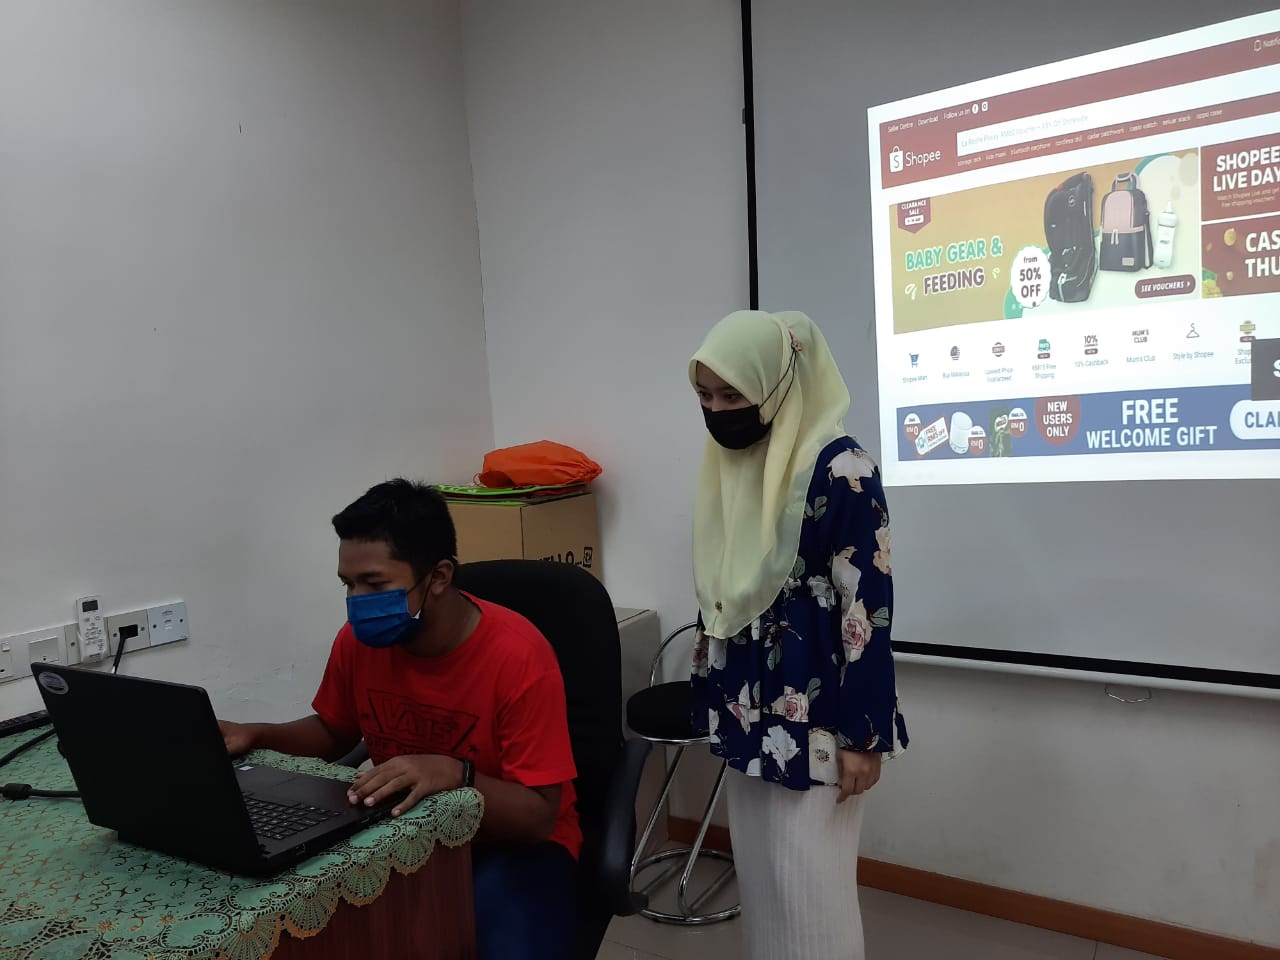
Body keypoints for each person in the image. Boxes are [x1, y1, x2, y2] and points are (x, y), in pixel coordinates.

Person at [218, 479, 580, 960]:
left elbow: (538, 818)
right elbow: (333, 732)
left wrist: (455, 773)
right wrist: (256, 734)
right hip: (404, 832)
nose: (357, 601)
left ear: (439, 576)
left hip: (511, 846)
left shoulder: (519, 657)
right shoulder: (357, 642)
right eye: (348, 584)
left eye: (374, 584)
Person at [688, 310, 908, 960]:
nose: (716, 411)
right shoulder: (733, 464)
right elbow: (723, 592)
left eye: (732, 395)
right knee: (763, 884)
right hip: (747, 703)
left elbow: (869, 607)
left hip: (817, 710)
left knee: (812, 890)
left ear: (776, 385)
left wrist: (864, 737)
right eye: (704, 396)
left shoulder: (844, 471)